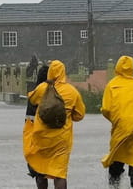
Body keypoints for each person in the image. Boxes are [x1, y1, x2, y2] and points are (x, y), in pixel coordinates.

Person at [25, 60, 86, 189]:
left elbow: (32, 99)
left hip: (42, 138)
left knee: (41, 171)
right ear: (64, 72)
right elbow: (80, 115)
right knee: (60, 174)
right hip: (61, 141)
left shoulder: (42, 88)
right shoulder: (72, 91)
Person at [101, 56, 133, 189]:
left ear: (117, 67)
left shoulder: (112, 85)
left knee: (116, 157)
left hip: (119, 128)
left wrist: (116, 119)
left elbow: (106, 109)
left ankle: (114, 185)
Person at [23, 64, 49, 179]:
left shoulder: (34, 92)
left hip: (35, 134)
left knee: (38, 171)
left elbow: (28, 118)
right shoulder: (56, 91)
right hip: (52, 135)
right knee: (57, 173)